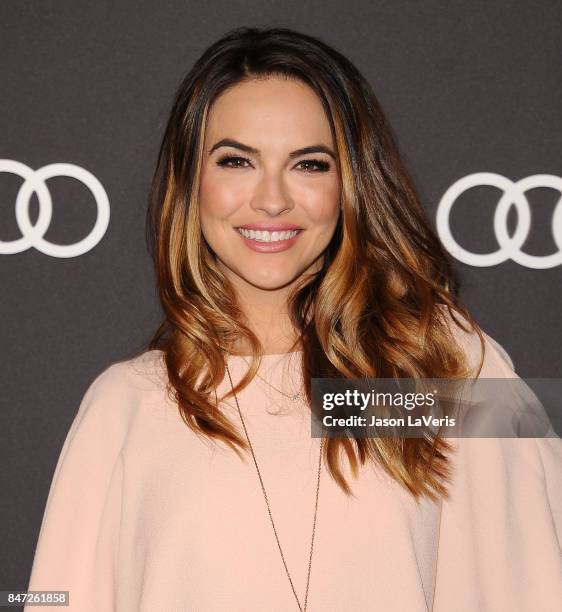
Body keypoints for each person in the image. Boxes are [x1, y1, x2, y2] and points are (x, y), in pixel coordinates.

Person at [25, 27, 561, 611]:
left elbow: (533, 585)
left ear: (350, 183)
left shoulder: (443, 366)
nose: (272, 199)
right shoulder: (125, 406)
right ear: (190, 182)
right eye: (237, 161)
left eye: (308, 164)